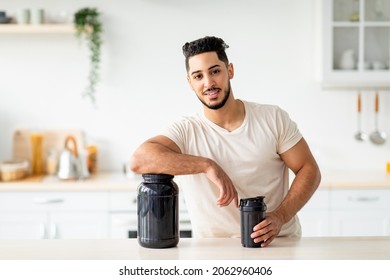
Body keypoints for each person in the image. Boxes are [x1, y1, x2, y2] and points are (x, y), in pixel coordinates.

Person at [130, 36, 321, 247]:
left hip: (278, 244)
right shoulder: (186, 130)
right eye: (198, 76)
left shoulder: (272, 118)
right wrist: (207, 165)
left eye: (215, 71)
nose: (208, 83)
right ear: (190, 83)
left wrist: (280, 216)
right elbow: (140, 160)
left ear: (230, 70)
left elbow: (309, 169)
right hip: (213, 250)